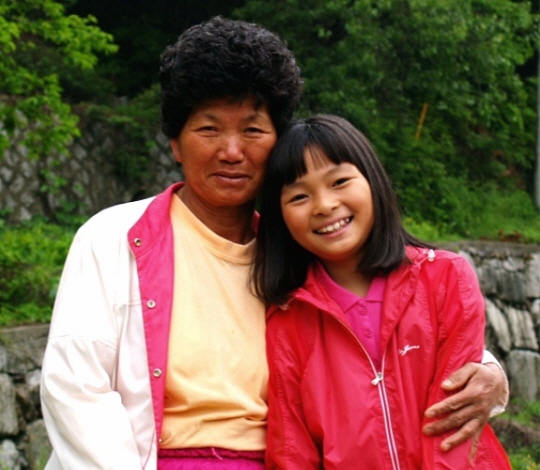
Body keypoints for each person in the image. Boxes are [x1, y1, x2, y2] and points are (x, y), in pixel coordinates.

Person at [40, 17, 508, 470]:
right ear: (175, 144)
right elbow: (76, 389)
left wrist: (489, 372)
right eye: (208, 129)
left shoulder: (300, 248)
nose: (231, 151)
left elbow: (376, 326)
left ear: (278, 142)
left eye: (252, 130)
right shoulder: (114, 238)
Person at [253, 114, 511, 469]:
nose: (324, 205)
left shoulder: (445, 279)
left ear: (372, 180)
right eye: (299, 196)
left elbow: (452, 425)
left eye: (339, 181)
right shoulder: (288, 321)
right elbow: (291, 452)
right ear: (279, 217)